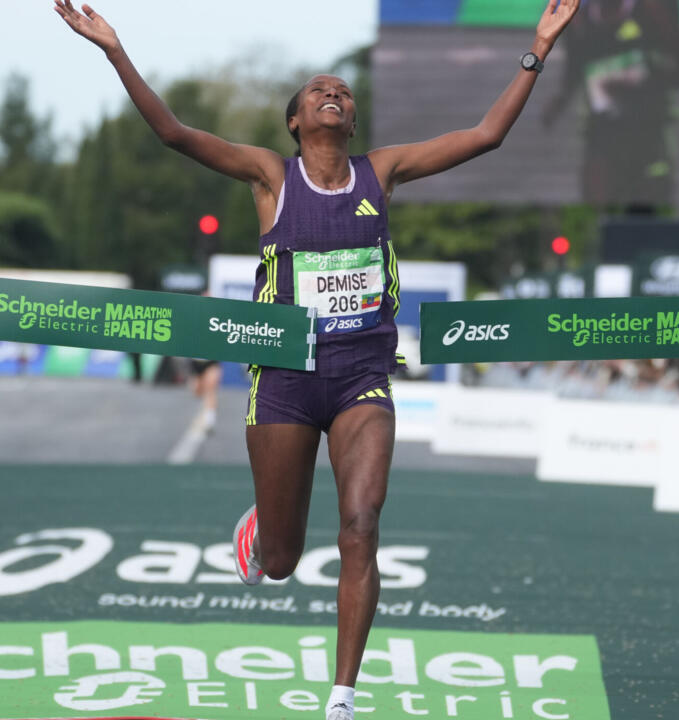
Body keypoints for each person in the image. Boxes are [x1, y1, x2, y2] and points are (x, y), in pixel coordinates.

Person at [54, 2, 580, 718]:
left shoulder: (381, 172)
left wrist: (537, 47)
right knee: (280, 563)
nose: (333, 94)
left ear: (352, 121)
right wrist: (114, 50)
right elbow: (174, 133)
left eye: (344, 92)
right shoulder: (270, 177)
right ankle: (263, 528)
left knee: (361, 525)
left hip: (363, 377)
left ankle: (342, 697)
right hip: (284, 381)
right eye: (317, 91)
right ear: (296, 121)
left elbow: (486, 135)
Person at [541, 0, 679, 205]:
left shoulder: (652, 11)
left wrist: (640, 81)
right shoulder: (580, 21)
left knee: (648, 202)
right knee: (597, 196)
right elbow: (574, 66)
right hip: (602, 130)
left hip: (650, 130)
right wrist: (560, 100)